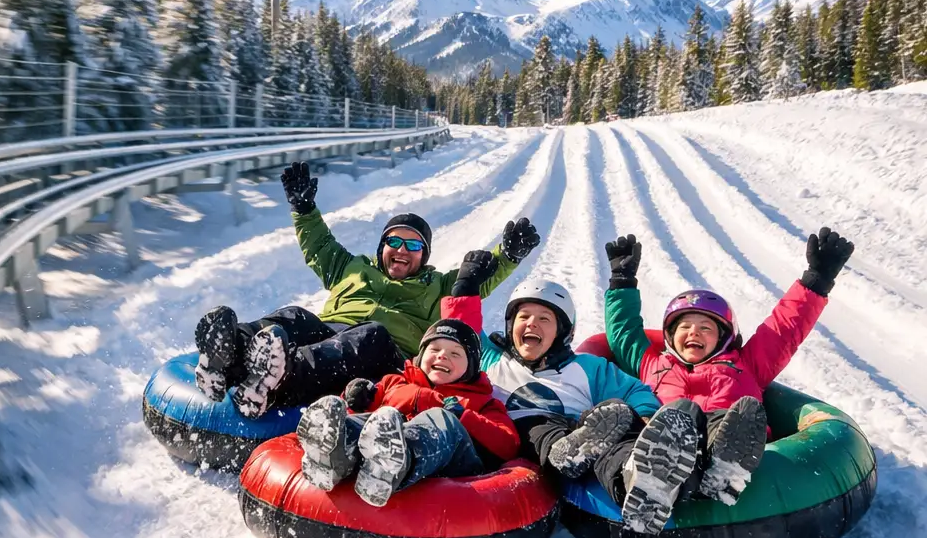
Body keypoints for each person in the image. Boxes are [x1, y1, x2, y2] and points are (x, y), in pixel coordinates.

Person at [196, 161, 540, 418]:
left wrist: (507, 255)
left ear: (425, 256)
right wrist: (303, 208)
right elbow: (320, 244)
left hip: (384, 358)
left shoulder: (439, 286)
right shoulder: (352, 268)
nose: (402, 250)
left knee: (371, 334)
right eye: (394, 240)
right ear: (382, 247)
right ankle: (229, 353)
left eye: (413, 245)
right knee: (295, 314)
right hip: (329, 336)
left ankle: (280, 379)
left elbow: (478, 282)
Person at [597, 228, 854, 535]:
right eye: (685, 327)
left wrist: (816, 280)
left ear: (724, 337)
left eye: (706, 327)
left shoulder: (746, 363)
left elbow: (784, 328)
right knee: (679, 414)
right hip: (668, 445)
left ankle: (726, 465)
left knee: (743, 411)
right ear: (669, 336)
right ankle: (651, 483)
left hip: (720, 434)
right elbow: (623, 333)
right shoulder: (653, 364)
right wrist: (622, 282)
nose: (694, 333)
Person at [444, 253, 662, 489]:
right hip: (506, 442)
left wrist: (645, 414)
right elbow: (461, 333)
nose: (531, 323)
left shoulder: (588, 367)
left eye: (544, 319)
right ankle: (565, 453)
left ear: (562, 332)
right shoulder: (491, 359)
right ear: (510, 326)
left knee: (612, 417)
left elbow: (633, 389)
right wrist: (464, 288)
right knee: (533, 424)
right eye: (523, 316)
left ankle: (634, 480)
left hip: (574, 436)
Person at [295, 315, 520, 507]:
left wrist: (462, 415)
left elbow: (508, 445)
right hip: (381, 445)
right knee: (379, 418)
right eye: (435, 349)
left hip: (450, 465)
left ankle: (394, 465)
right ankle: (334, 452)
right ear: (421, 356)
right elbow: (363, 415)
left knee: (440, 418)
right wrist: (355, 399)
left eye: (455, 353)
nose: (442, 356)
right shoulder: (395, 382)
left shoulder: (480, 401)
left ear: (470, 367)